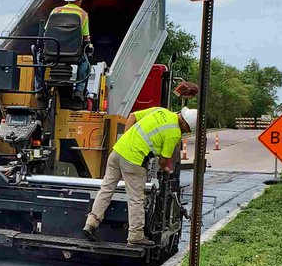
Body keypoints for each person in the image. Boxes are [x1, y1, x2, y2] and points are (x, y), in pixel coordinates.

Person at [82, 103, 197, 246]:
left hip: (118, 151)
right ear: (184, 124)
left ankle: (91, 223)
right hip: (134, 160)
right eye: (187, 129)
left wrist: (126, 139)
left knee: (106, 189)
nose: (185, 132)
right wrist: (165, 169)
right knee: (136, 198)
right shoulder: (174, 133)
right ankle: (135, 235)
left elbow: (132, 116)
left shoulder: (160, 111)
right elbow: (163, 160)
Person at [35, 0, 93, 102]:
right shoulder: (83, 14)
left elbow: (46, 32)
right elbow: (86, 39)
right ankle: (79, 90)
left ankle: (39, 88)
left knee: (38, 58)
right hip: (73, 56)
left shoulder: (55, 11)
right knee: (85, 61)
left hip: (52, 53)